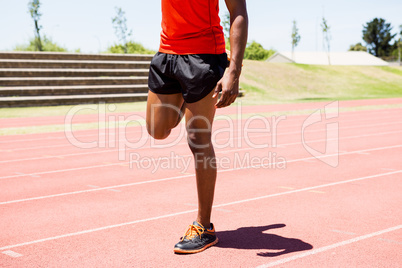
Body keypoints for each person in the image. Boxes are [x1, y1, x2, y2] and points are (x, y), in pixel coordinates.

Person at [146, 0, 248, 254]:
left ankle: (204, 227)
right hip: (167, 54)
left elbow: (238, 12)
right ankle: (186, 98)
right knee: (157, 130)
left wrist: (233, 70)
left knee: (197, 138)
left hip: (204, 56)